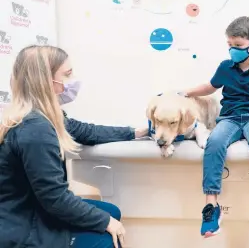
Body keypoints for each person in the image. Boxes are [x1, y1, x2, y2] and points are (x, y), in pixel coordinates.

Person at [0, 45, 148, 248]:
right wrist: (105, 222)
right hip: (24, 225)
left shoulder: (43, 115)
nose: (72, 80)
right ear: (46, 81)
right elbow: (55, 198)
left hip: (34, 209)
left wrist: (138, 132)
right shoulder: (35, 130)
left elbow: (87, 132)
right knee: (107, 238)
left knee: (111, 212)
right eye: (67, 74)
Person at [183, 16, 249, 238]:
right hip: (228, 118)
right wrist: (187, 92)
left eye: (238, 45)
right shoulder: (225, 67)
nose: (233, 50)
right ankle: (211, 206)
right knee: (214, 142)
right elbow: (210, 86)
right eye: (230, 45)